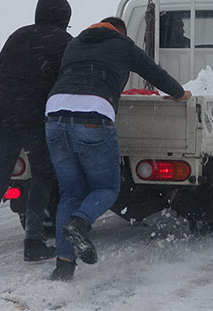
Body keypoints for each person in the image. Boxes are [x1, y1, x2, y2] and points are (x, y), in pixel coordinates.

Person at [44, 17, 191, 281]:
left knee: (70, 194)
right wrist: (180, 94)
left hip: (54, 117)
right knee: (106, 188)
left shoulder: (74, 45)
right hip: (93, 117)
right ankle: (79, 223)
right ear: (120, 32)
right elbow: (155, 74)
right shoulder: (122, 45)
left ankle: (63, 266)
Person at [0, 0, 73, 273]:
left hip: (1, 117)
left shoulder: (17, 35)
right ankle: (33, 242)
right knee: (42, 177)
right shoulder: (64, 41)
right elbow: (70, 81)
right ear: (64, 17)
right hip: (34, 120)